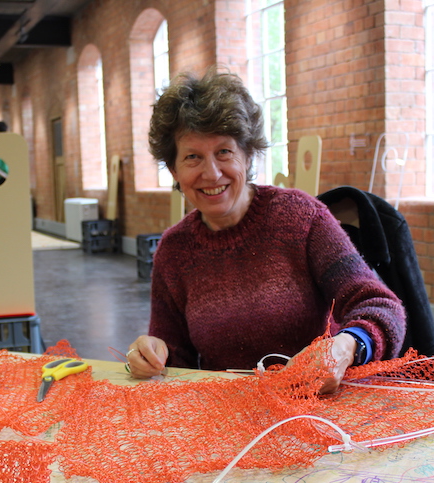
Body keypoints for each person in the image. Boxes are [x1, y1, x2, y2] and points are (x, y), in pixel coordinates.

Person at [126, 68, 406, 393]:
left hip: (315, 407)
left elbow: (383, 307)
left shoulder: (301, 218)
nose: (212, 173)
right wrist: (149, 355)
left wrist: (346, 347)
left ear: (247, 156)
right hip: (228, 415)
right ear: (174, 169)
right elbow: (175, 360)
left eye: (224, 152)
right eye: (192, 157)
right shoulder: (174, 252)